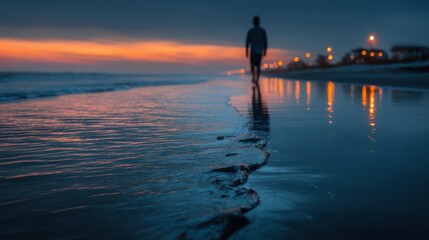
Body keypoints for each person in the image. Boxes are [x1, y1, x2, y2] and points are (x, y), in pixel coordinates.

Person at [246, 16, 268, 84]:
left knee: (253, 65)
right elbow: (265, 41)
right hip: (259, 50)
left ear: (253, 22)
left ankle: (254, 78)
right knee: (257, 66)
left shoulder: (251, 30)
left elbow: (247, 41)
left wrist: (246, 51)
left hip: (254, 51)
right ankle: (256, 79)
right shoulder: (262, 30)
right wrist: (265, 50)